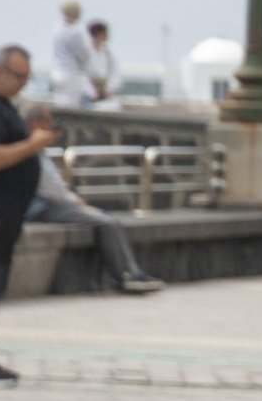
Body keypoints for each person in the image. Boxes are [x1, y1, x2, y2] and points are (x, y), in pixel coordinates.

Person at [0, 47, 61, 387]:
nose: (22, 83)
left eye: (27, 77)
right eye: (18, 76)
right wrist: (34, 145)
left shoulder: (7, 108)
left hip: (6, 218)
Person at [26, 126, 164, 294]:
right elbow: (52, 190)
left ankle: (131, 272)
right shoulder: (32, 153)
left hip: (53, 203)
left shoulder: (39, 153)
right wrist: (73, 200)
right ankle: (126, 275)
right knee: (106, 222)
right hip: (45, 207)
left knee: (107, 219)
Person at [47, 2, 94, 105]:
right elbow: (84, 55)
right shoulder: (74, 33)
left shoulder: (57, 29)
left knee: (60, 102)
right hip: (70, 74)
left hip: (57, 72)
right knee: (72, 104)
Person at [81, 22, 115, 103]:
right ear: (98, 34)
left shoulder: (107, 51)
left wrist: (109, 88)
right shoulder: (86, 51)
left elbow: (113, 71)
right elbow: (81, 74)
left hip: (103, 91)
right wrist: (91, 92)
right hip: (87, 93)